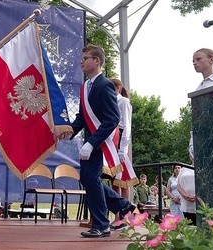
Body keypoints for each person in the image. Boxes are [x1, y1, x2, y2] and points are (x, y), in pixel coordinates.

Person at [66, 44, 135, 238]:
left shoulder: (105, 85)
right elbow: (81, 117)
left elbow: (112, 118)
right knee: (87, 178)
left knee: (90, 178)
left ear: (97, 60)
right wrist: (68, 131)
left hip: (100, 142)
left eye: (86, 58)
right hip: (91, 142)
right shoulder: (86, 86)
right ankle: (123, 205)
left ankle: (102, 224)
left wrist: (92, 142)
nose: (82, 61)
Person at [110, 78, 138, 230]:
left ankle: (125, 217)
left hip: (120, 138)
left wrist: (122, 148)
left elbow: (126, 125)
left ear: (118, 88)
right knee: (115, 178)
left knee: (124, 178)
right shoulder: (110, 102)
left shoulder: (124, 102)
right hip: (111, 137)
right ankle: (117, 215)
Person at [189, 48, 213, 163]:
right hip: (204, 142)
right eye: (193, 60)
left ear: (211, 60)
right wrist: (192, 144)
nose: (195, 63)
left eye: (198, 59)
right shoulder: (199, 88)